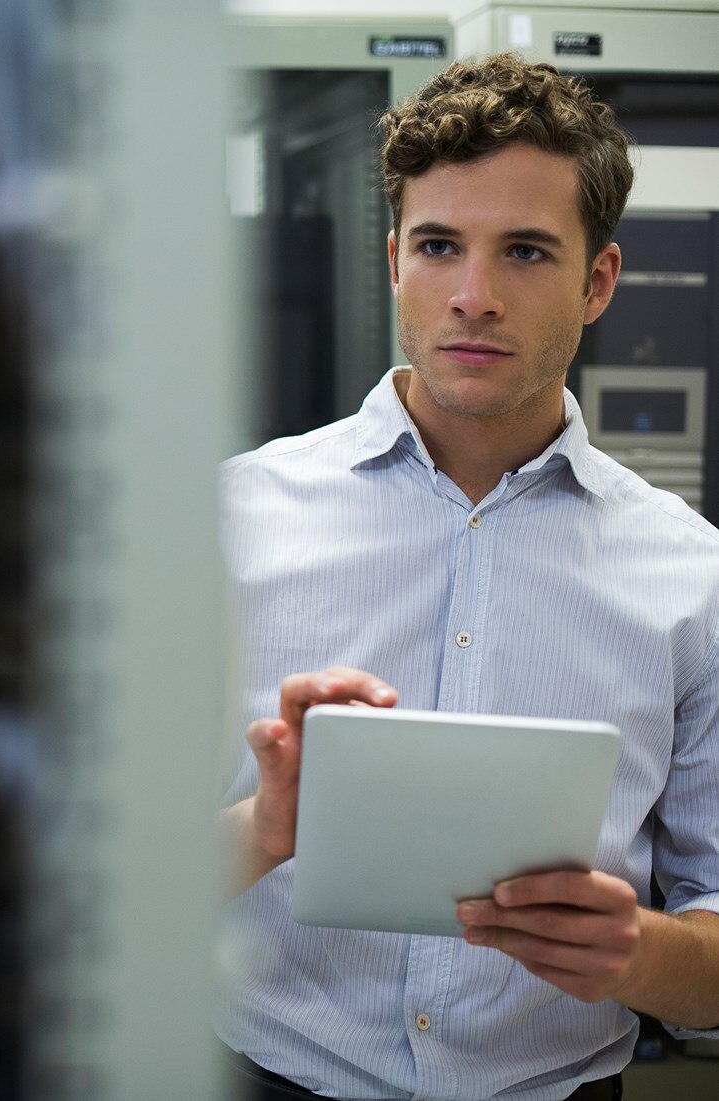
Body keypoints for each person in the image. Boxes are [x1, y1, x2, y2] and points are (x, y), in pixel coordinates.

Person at [218, 53, 719, 1100]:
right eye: (440, 246)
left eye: (527, 252)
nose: (475, 297)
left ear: (598, 282)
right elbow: (97, 901)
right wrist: (263, 832)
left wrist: (636, 957)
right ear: (395, 257)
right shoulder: (231, 524)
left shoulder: (693, 578)